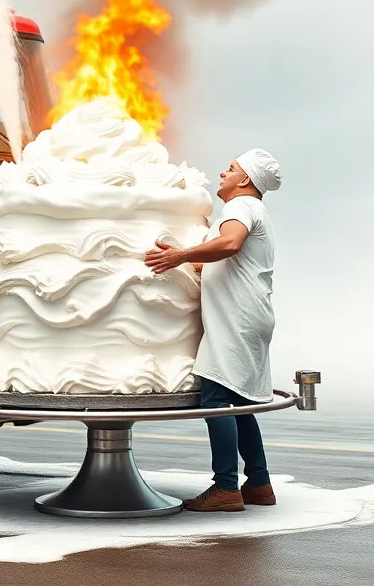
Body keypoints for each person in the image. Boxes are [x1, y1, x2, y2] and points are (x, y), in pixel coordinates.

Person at [144, 148, 282, 513]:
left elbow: (231, 242)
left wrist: (180, 256)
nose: (224, 172)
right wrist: (190, 258)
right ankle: (259, 483)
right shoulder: (256, 211)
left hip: (237, 318)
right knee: (238, 402)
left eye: (232, 168)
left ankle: (225, 488)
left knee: (217, 401)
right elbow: (228, 261)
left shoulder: (241, 207)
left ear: (246, 180)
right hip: (251, 315)